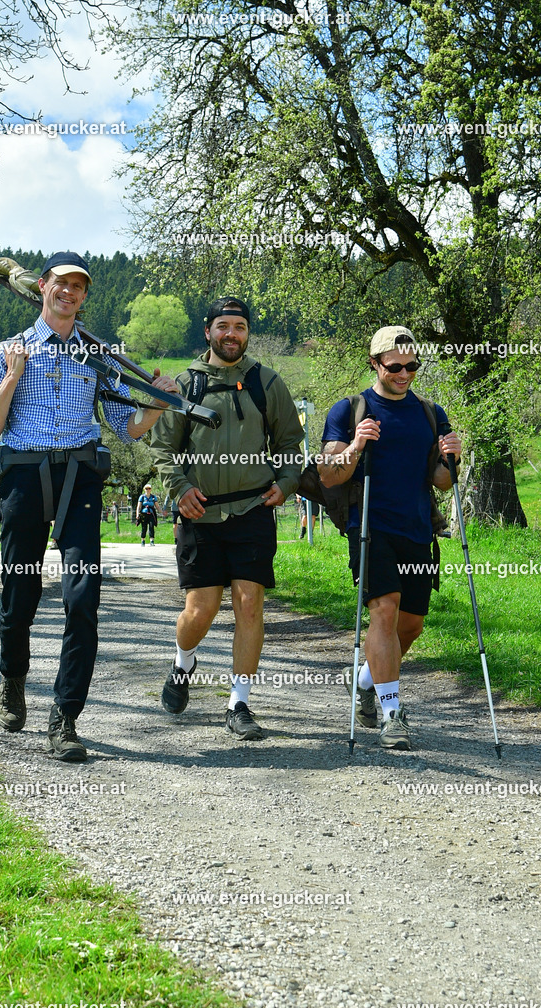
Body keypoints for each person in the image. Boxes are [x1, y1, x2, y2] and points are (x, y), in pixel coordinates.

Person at [0, 250, 178, 762]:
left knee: (83, 599)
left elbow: (127, 429)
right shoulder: (5, 351)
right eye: (61, 283)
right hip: (22, 476)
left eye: (78, 286)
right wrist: (14, 378)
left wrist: (155, 403)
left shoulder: (97, 356)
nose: (69, 292)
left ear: (84, 296)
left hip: (81, 479)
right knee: (20, 594)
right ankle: (12, 678)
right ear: (42, 286)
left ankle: (65, 717)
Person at [151, 296, 304, 740]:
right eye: (223, 326)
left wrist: (288, 481)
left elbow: (291, 442)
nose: (231, 334)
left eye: (239, 326)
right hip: (200, 512)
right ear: (208, 332)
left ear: (247, 333)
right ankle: (183, 662)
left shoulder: (266, 383)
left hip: (253, 510)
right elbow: (162, 450)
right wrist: (180, 490)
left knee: (249, 603)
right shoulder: (185, 384)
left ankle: (239, 704)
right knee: (200, 611)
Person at [319, 327, 461, 751]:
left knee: (410, 625)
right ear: (375, 363)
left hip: (417, 531)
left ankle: (364, 679)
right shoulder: (348, 410)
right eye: (395, 366)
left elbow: (441, 483)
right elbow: (328, 473)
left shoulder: (431, 413)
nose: (404, 373)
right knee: (385, 609)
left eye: (412, 365)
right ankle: (392, 714)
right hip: (369, 528)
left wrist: (453, 456)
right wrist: (356, 445)